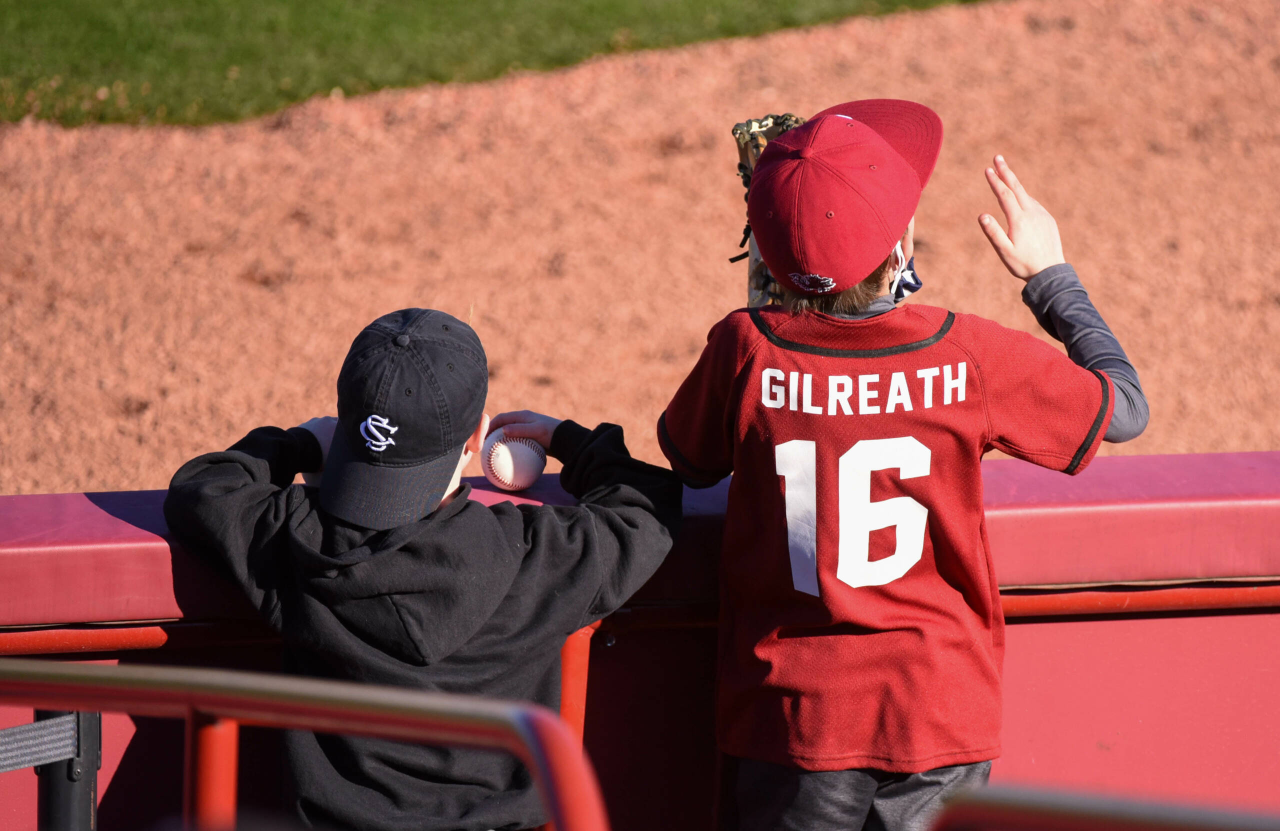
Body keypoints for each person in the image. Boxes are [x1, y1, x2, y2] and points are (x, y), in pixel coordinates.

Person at [657, 99, 1147, 831]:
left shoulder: (744, 349)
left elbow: (688, 457)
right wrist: (1051, 276)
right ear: (904, 243)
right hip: (937, 717)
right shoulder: (968, 354)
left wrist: (774, 299)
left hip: (794, 723)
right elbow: (1125, 409)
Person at [164, 308, 682, 831]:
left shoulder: (298, 541)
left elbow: (202, 489)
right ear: (478, 436)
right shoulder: (537, 558)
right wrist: (568, 439)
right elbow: (647, 507)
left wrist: (297, 442)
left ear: (344, 427)